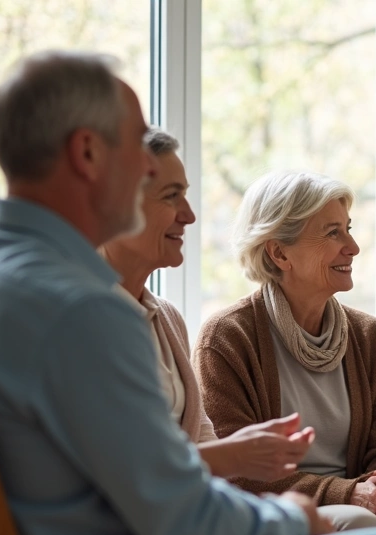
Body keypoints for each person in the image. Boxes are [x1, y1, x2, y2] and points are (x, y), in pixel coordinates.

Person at [0, 50, 376, 535]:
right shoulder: (84, 309)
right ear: (88, 153)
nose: (185, 209)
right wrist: (291, 518)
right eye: (137, 149)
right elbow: (183, 528)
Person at [193, 169, 376, 535]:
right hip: (277, 512)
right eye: (333, 233)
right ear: (279, 253)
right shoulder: (228, 338)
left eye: (349, 229)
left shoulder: (368, 335)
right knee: (357, 519)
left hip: (362, 500)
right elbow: (236, 470)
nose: (353, 247)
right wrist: (345, 494)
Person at [101, 127, 318, 485]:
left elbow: (202, 440)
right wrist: (236, 456)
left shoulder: (166, 318)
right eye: (171, 197)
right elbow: (114, 468)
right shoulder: (77, 320)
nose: (189, 215)